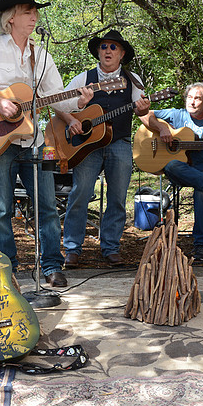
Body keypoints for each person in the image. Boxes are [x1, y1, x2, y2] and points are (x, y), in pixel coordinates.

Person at [0, 0, 93, 287]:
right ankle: (8, 271)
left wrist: (79, 102)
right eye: (28, 11)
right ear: (11, 17)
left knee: (46, 206)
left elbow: (56, 97)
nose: (34, 17)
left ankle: (52, 266)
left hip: (33, 142)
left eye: (35, 12)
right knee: (1, 209)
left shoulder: (41, 55)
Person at [61, 30, 151, 268]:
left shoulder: (134, 80)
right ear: (98, 52)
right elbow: (60, 104)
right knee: (80, 194)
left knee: (118, 198)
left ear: (121, 54)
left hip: (119, 142)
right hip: (87, 146)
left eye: (113, 47)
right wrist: (72, 120)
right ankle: (72, 248)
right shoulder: (84, 78)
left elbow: (142, 112)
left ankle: (110, 247)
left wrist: (142, 109)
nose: (108, 50)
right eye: (104, 47)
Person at [139, 82, 203, 262]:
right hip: (180, 169)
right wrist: (162, 128)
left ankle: (200, 246)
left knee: (202, 191)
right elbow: (145, 114)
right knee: (171, 165)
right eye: (190, 97)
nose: (192, 102)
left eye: (197, 98)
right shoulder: (177, 114)